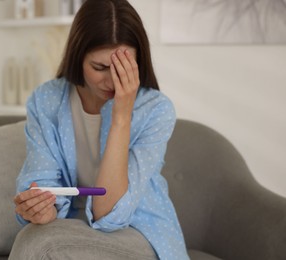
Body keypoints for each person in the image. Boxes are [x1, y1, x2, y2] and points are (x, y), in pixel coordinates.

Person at [10, 0, 189, 259]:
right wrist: (43, 210)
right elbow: (42, 181)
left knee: (42, 244)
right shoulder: (46, 100)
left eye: (122, 70)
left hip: (138, 230)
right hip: (69, 228)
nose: (112, 82)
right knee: (36, 237)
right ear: (78, 56)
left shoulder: (155, 110)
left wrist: (121, 115)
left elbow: (108, 214)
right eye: (100, 67)